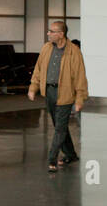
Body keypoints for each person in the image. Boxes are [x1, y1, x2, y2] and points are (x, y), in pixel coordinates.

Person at [28, 21, 88, 171]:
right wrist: (33, 87)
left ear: (61, 34)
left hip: (65, 93)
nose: (48, 33)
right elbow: (38, 69)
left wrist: (80, 98)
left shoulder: (74, 51)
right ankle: (71, 154)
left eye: (51, 31)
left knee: (60, 128)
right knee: (59, 126)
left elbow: (80, 77)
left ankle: (51, 159)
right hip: (49, 92)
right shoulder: (46, 48)